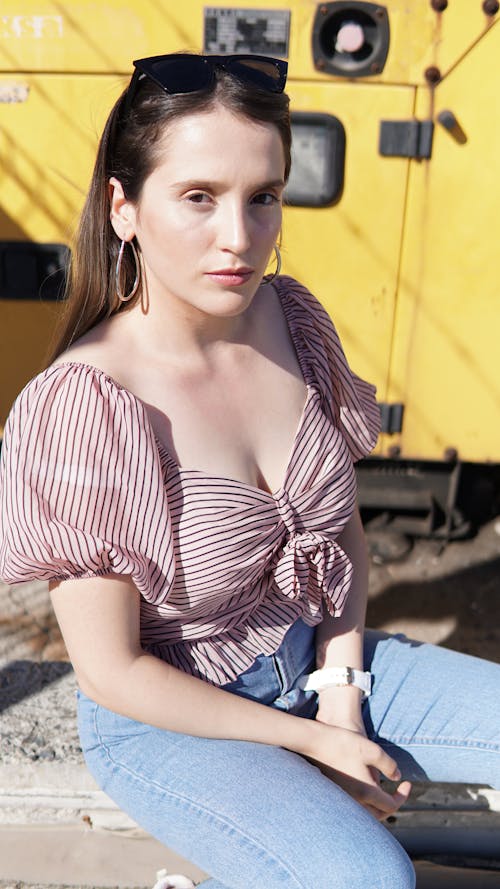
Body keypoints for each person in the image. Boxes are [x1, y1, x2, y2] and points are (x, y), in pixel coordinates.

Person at [0, 52, 499, 889]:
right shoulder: (84, 407)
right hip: (169, 722)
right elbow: (113, 671)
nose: (239, 236)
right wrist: (312, 743)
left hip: (314, 663)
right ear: (124, 208)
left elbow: (340, 532)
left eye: (262, 196)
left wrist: (340, 691)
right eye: (198, 197)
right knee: (367, 879)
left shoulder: (291, 319)